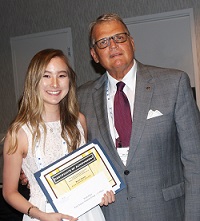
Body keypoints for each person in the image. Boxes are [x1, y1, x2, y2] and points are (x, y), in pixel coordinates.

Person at [77, 13, 200, 221]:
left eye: (120, 37)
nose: (113, 45)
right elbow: (73, 155)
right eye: (103, 42)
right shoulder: (81, 97)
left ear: (132, 42)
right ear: (94, 55)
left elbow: (195, 160)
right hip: (110, 214)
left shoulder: (174, 83)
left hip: (165, 212)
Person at [3, 49, 114, 221]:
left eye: (61, 75)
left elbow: (86, 171)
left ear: (69, 80)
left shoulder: (79, 121)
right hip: (42, 214)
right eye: (46, 76)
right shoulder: (19, 132)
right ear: (34, 81)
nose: (54, 84)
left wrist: (101, 192)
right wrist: (38, 214)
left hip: (86, 212)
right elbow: (9, 192)